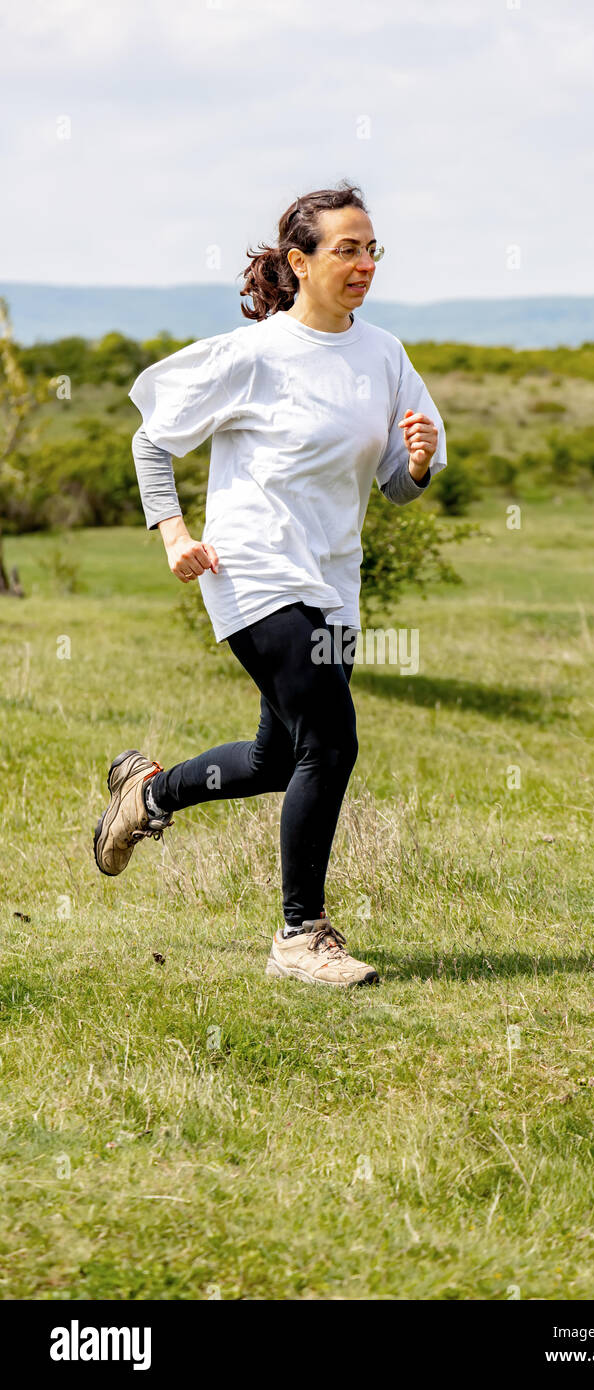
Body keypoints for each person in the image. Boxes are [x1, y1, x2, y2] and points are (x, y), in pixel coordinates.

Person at [93, 181, 447, 987]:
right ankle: (300, 936)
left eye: (371, 249)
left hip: (332, 583)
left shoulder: (385, 355)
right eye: (346, 249)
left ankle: (149, 796)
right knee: (332, 740)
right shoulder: (253, 355)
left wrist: (418, 463)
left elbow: (395, 485)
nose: (364, 264)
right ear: (301, 260)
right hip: (252, 571)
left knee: (278, 758)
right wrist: (175, 535)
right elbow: (153, 441)